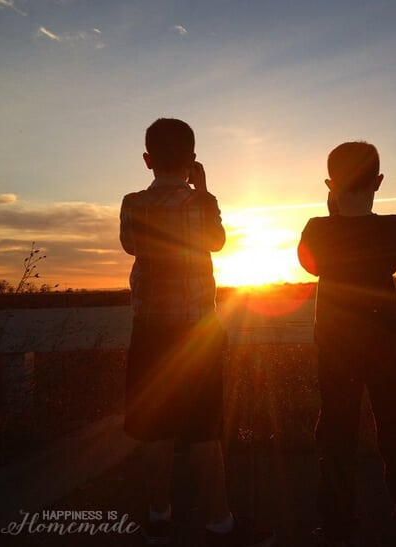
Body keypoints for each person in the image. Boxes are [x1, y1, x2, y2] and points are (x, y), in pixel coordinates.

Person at [120, 118, 275, 547]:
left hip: (150, 331)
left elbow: (131, 245)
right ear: (192, 160)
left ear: (148, 159)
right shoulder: (203, 203)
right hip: (197, 332)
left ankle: (158, 515)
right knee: (205, 430)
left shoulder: (132, 203)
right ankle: (219, 523)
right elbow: (217, 241)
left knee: (155, 430)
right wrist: (203, 191)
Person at [297, 142, 396, 547]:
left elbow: (312, 264)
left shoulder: (317, 229)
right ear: (378, 181)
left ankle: (337, 527)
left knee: (336, 436)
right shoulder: (392, 227)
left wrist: (332, 212)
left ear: (330, 184)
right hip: (383, 347)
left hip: (335, 349)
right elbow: (391, 262)